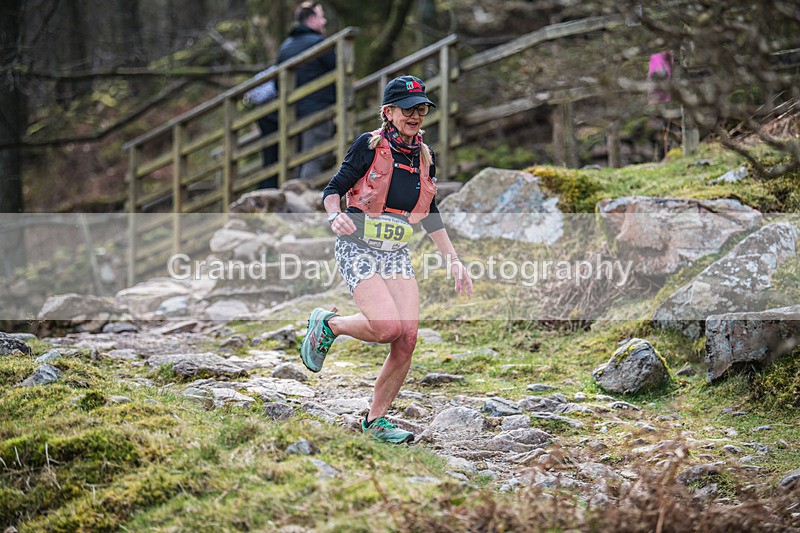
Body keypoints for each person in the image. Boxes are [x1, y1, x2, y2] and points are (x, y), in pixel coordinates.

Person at [300, 75, 474, 444]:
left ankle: (375, 421)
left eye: (421, 109)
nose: (415, 115)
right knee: (386, 328)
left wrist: (454, 260)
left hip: (395, 253)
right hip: (357, 247)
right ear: (389, 112)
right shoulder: (369, 145)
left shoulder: (424, 156)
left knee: (407, 338)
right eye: (408, 109)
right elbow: (333, 189)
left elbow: (429, 212)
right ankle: (329, 324)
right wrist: (335, 216)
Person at [278, 1, 336, 180]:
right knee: (315, 158)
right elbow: (338, 69)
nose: (324, 21)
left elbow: (276, 84)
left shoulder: (285, 48)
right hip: (317, 109)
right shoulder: (319, 43)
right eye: (321, 17)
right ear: (311, 19)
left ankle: (293, 193)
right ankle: (306, 196)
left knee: (298, 160)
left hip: (293, 115)